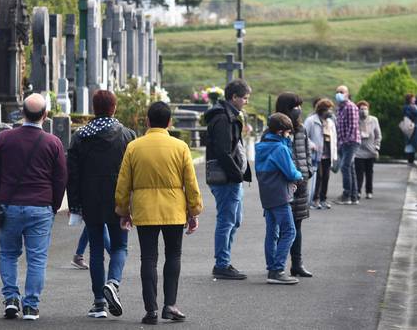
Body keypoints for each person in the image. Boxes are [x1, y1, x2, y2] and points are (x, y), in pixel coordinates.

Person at [115, 102, 203, 325]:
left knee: (148, 258)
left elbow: (123, 183)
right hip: (174, 210)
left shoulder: (134, 147)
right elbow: (191, 184)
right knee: (173, 256)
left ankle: (151, 309)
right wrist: (194, 211)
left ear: (147, 121)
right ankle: (170, 305)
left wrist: (123, 210)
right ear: (170, 122)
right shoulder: (180, 146)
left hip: (145, 210)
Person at [0, 93, 67, 321]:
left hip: (10, 204)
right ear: (45, 115)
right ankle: (31, 305)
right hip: (40, 206)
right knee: (37, 258)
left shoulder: (4, 139)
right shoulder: (53, 143)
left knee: (8, 253)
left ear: (22, 113)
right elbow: (60, 178)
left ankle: (11, 298)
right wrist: (54, 204)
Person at [67, 90, 136, 319]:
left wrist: (75, 205)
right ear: (114, 108)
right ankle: (113, 283)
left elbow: (73, 174)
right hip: (118, 199)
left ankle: (98, 303)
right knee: (119, 246)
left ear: (93, 108)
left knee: (96, 250)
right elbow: (134, 173)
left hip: (90, 199)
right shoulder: (127, 135)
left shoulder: (79, 136)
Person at [204, 79, 252, 280]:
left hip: (231, 178)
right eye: (245, 98)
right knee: (227, 221)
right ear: (234, 97)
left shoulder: (228, 115)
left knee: (234, 220)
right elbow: (224, 152)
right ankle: (222, 264)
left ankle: (224, 261)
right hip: (226, 179)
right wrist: (237, 175)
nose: (246, 102)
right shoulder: (223, 118)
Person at [256, 113, 303, 285]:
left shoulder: (261, 146)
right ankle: (277, 269)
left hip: (267, 194)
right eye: (288, 132)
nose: (290, 135)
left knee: (272, 232)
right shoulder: (280, 149)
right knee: (289, 231)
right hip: (280, 195)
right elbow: (291, 172)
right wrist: (300, 175)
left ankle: (271, 268)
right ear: (281, 131)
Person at [273, 93, 313, 278]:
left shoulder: (302, 129)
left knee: (297, 225)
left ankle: (297, 264)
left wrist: (309, 171)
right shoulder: (278, 130)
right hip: (286, 184)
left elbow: (306, 152)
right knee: (283, 227)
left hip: (302, 183)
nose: (299, 110)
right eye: (295, 106)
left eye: (300, 106)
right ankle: (276, 264)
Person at [305, 99, 337, 209]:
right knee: (318, 177)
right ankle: (315, 200)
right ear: (322, 110)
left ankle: (323, 199)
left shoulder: (331, 123)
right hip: (316, 154)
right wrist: (312, 144)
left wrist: (335, 155)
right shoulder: (311, 121)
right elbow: (304, 136)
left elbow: (334, 140)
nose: (331, 112)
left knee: (326, 177)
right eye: (329, 109)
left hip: (328, 155)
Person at [335, 85, 361, 205]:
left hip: (350, 142)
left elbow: (353, 126)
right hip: (343, 142)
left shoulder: (350, 107)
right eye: (337, 92)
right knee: (350, 168)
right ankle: (353, 196)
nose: (339, 94)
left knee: (345, 167)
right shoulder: (340, 108)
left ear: (347, 93)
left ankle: (347, 195)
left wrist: (344, 141)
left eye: (341, 92)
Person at [355, 101, 381, 199]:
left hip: (370, 151)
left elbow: (378, 135)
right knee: (359, 172)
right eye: (361, 109)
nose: (363, 111)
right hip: (358, 151)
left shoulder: (374, 120)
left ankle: (369, 191)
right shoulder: (356, 120)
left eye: (365, 109)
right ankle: (357, 191)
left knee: (369, 172)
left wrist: (377, 146)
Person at [403, 94, 417, 165]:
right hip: (410, 126)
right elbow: (413, 114)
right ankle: (410, 161)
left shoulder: (414, 106)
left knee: (413, 143)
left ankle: (412, 160)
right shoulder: (407, 107)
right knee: (410, 142)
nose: (414, 99)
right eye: (413, 98)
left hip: (414, 126)